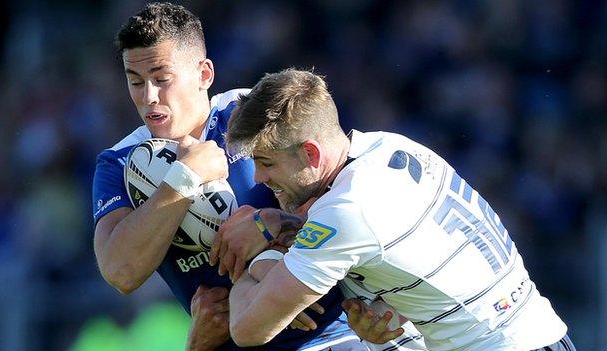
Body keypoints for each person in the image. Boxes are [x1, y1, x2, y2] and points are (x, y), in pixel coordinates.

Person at [223, 68, 577, 350]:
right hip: (540, 332)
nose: (259, 177)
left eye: (267, 162)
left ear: (312, 154)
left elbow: (249, 329)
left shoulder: (346, 211)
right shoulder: (390, 146)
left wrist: (255, 264)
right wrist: (388, 312)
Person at [92, 3, 366, 350]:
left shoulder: (249, 112)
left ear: (205, 74)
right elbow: (121, 271)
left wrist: (270, 224)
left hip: (333, 334)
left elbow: (349, 188)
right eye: (135, 82)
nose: (148, 97)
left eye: (162, 80)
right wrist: (184, 178)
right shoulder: (118, 163)